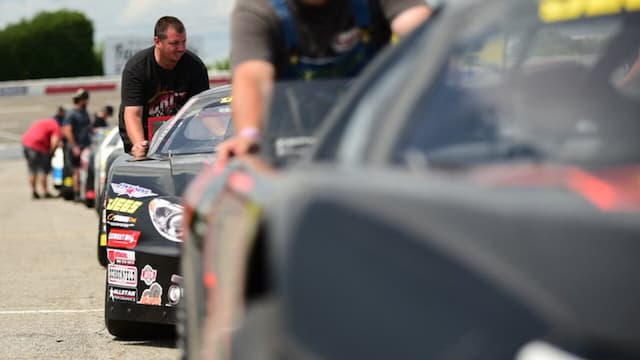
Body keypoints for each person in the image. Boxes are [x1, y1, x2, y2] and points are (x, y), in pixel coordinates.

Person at [216, 0, 432, 167]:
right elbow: (252, 76)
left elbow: (421, 28)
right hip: (291, 150)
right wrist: (249, 135)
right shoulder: (257, 9)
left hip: (374, 139)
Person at [119, 16, 210, 159]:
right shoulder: (137, 68)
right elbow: (133, 113)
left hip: (182, 142)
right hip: (145, 140)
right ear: (157, 41)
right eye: (174, 43)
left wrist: (222, 137)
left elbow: (203, 111)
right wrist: (139, 146)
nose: (181, 48)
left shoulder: (195, 67)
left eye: (184, 42)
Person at [62, 88, 92, 200]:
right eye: (85, 99)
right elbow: (67, 130)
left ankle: (84, 192)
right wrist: (75, 146)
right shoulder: (72, 114)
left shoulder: (84, 112)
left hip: (85, 145)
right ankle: (77, 193)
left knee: (84, 170)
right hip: (77, 146)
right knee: (77, 170)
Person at [21, 117, 62, 199]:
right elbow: (55, 141)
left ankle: (34, 191)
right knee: (42, 170)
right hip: (39, 146)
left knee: (32, 170)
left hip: (26, 143)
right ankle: (45, 191)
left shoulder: (41, 122)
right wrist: (52, 153)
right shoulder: (56, 126)